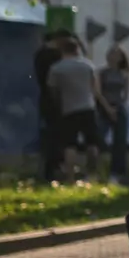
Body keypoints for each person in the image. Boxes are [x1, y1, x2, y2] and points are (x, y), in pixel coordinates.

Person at [45, 36, 108, 178]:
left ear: (62, 50)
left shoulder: (56, 68)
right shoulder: (88, 65)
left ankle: (71, 177)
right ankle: (92, 175)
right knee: (92, 143)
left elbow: (53, 90)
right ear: (77, 49)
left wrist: (59, 103)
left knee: (70, 144)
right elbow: (95, 88)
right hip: (88, 107)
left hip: (69, 108)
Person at [33, 31, 65, 181]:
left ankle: (48, 169)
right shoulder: (56, 57)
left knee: (48, 133)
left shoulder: (39, 55)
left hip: (44, 98)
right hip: (57, 99)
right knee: (58, 134)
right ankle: (54, 167)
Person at [98, 46, 129, 184]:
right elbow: (98, 92)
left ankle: (118, 171)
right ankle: (98, 169)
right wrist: (107, 108)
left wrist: (119, 106)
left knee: (120, 140)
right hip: (104, 107)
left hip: (119, 107)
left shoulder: (124, 74)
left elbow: (126, 93)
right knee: (99, 137)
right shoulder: (102, 73)